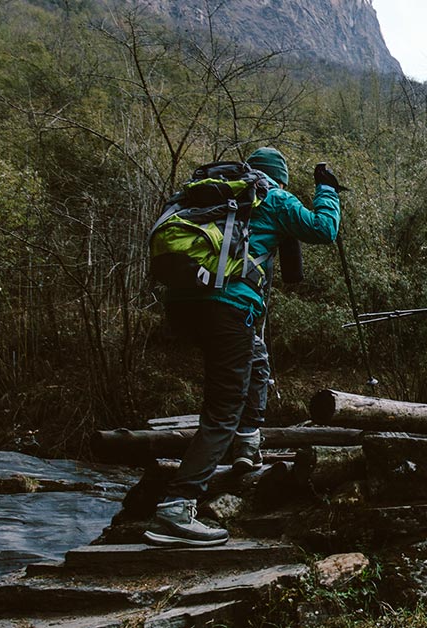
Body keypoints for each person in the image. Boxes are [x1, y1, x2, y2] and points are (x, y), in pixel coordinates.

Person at [145, 147, 344, 547]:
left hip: (183, 303)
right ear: (279, 177)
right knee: (223, 409)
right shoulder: (273, 197)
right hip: (227, 308)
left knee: (255, 358)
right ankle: (177, 508)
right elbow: (324, 229)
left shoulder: (215, 195)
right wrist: (327, 190)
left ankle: (247, 443)